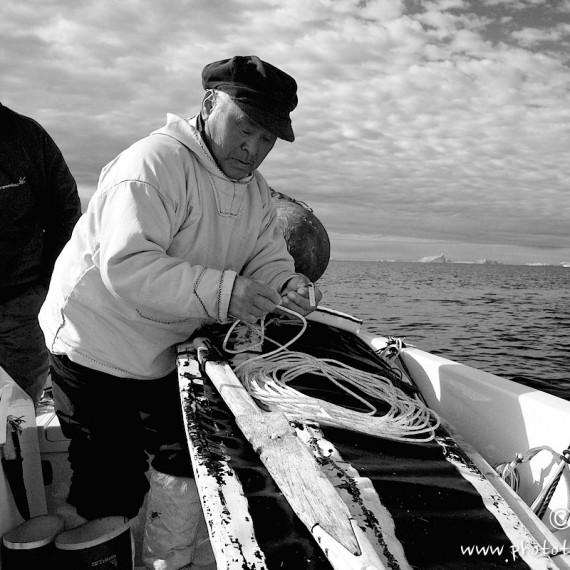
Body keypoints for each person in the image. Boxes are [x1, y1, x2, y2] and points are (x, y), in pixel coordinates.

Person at [39, 55, 322, 569]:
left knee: (186, 455)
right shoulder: (152, 164)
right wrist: (226, 293)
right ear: (210, 104)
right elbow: (128, 267)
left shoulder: (255, 191)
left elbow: (265, 254)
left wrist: (287, 281)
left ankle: (166, 561)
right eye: (246, 128)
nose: (254, 149)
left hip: (167, 347)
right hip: (97, 344)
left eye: (267, 139)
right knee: (109, 485)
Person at [0, 103, 81, 406]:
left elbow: (66, 212)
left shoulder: (27, 136)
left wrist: (45, 286)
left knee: (17, 420)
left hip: (20, 313)